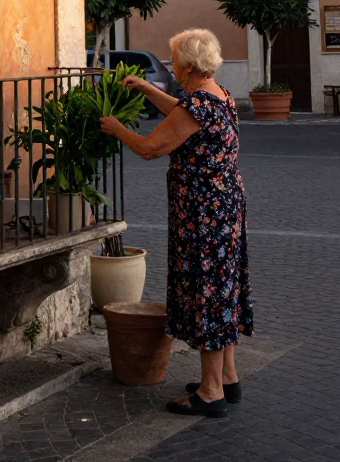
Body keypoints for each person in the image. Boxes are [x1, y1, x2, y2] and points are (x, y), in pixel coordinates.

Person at [98, 28, 253, 418]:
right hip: (226, 209)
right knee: (222, 291)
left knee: (208, 296)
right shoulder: (220, 96)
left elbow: (152, 148)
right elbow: (182, 111)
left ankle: (211, 391)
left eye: (173, 61)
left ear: (186, 65)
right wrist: (148, 90)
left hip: (203, 216)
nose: (171, 67)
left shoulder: (197, 106)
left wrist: (118, 130)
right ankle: (228, 377)